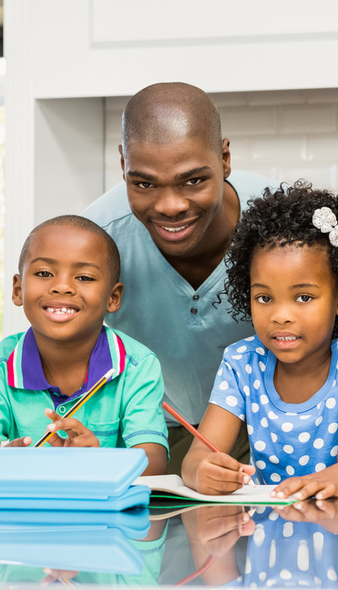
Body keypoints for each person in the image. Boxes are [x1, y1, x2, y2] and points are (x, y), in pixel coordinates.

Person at [82, 82, 279, 472]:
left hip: (273, 432)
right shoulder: (96, 239)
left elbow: (332, 336)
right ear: (123, 164)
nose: (171, 206)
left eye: (193, 181)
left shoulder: (282, 222)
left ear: (224, 158)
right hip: (147, 436)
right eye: (144, 184)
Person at [182, 182, 338, 500]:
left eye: (304, 297)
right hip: (268, 538)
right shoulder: (242, 362)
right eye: (264, 297)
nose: (281, 315)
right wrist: (202, 471)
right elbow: (196, 458)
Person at [1, 215, 169, 475]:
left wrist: (99, 462)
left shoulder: (137, 366)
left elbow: (154, 463)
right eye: (44, 273)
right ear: (18, 289)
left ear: (113, 298)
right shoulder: (3, 366)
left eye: (85, 277)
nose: (62, 287)